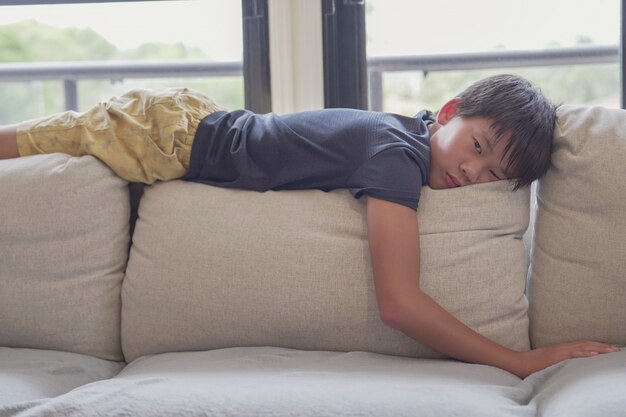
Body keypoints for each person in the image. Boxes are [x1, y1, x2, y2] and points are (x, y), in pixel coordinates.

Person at [0, 74, 619, 378]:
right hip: (166, 136)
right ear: (448, 113)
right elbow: (400, 303)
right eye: (478, 144)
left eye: (494, 175)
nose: (471, 170)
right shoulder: (396, 153)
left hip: (195, 121)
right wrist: (519, 361)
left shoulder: (403, 136)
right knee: (31, 142)